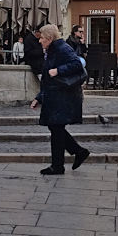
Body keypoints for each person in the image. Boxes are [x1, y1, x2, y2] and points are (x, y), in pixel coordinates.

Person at [30, 23, 89, 175]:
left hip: (64, 96)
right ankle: (77, 152)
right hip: (56, 95)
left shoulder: (62, 48)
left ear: (49, 38)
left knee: (56, 128)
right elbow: (47, 80)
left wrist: (58, 70)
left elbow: (77, 64)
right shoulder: (52, 50)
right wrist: (39, 98)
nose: (39, 41)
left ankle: (59, 165)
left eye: (42, 38)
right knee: (56, 128)